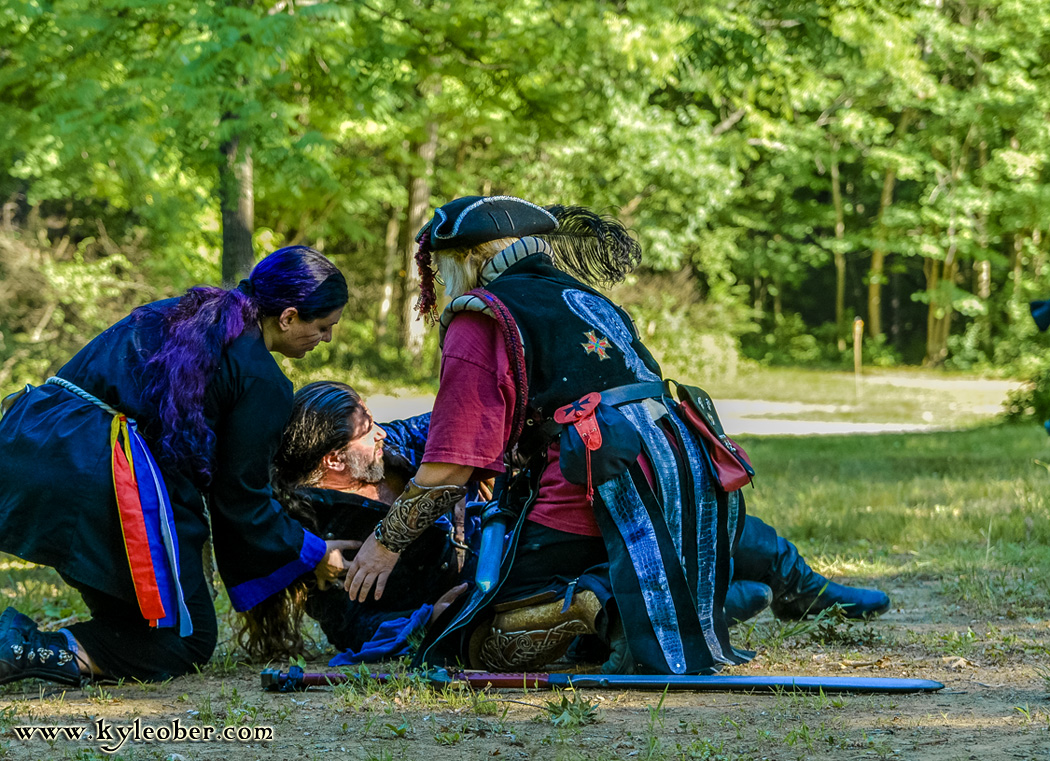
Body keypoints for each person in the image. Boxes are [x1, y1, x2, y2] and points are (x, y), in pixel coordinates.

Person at [344, 196, 884, 676]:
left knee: (477, 644)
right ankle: (702, 601)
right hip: (680, 478)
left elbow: (451, 467)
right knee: (687, 535)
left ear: (470, 259)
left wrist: (383, 545)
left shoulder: (482, 316)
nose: (439, 279)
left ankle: (619, 607)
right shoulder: (591, 302)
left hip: (584, 489)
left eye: (440, 266)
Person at [0, 246, 354, 687]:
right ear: (287, 317)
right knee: (187, 640)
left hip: (28, 439)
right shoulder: (262, 378)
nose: (327, 339)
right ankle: (19, 648)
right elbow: (241, 500)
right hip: (93, 472)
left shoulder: (178, 312)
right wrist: (314, 552)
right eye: (323, 327)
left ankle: (33, 648)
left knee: (146, 621)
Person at [240, 381, 469, 662]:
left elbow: (457, 426)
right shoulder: (312, 526)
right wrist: (427, 619)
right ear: (334, 460)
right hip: (462, 600)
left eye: (371, 421)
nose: (380, 432)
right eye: (368, 430)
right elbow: (349, 626)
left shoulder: (389, 444)